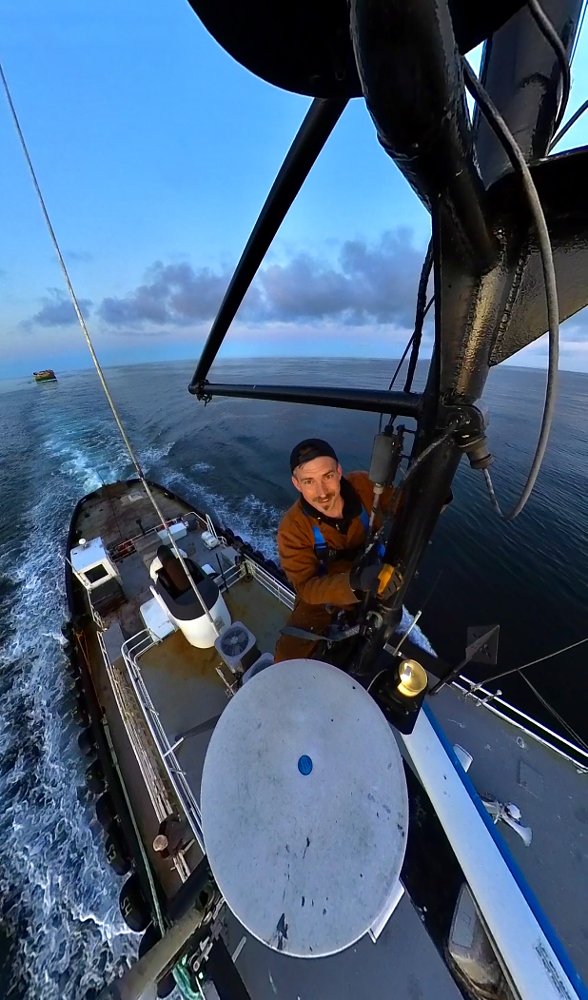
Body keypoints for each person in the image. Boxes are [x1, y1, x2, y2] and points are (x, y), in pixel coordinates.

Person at [274, 438, 399, 663]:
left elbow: (405, 505)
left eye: (328, 476)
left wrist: (436, 495)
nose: (322, 492)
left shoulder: (365, 487)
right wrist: (354, 582)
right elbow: (306, 587)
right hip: (327, 594)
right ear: (296, 484)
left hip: (378, 573)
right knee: (288, 655)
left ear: (339, 471)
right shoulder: (292, 529)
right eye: (309, 481)